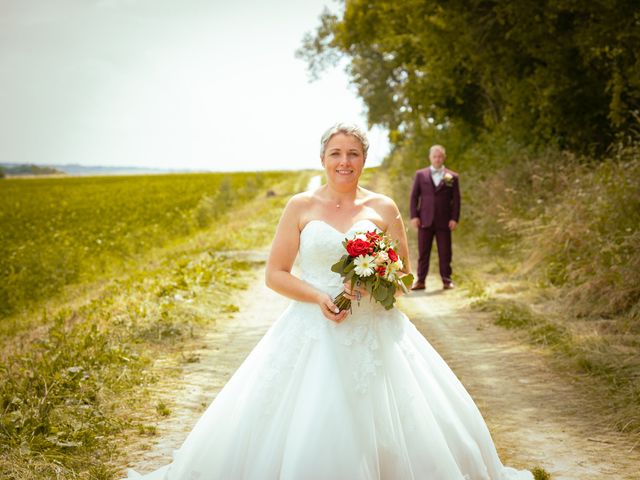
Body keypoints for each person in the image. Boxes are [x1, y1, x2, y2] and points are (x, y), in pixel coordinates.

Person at [125, 123, 532, 480]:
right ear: (322, 158)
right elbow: (276, 274)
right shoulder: (300, 207)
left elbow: (406, 276)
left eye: (353, 154)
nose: (344, 161)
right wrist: (319, 296)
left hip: (376, 330)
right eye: (336, 153)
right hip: (311, 328)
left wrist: (378, 279)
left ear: (364, 160)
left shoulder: (383, 207)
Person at [409, 144, 460, 291]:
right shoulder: (421, 175)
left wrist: (454, 218)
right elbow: (414, 197)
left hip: (444, 220)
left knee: (445, 251)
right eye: (435, 157)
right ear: (430, 158)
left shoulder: (451, 177)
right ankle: (420, 281)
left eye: (440, 157)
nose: (437, 159)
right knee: (423, 252)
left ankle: (446, 280)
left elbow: (456, 200)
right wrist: (414, 216)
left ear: (444, 158)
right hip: (424, 220)